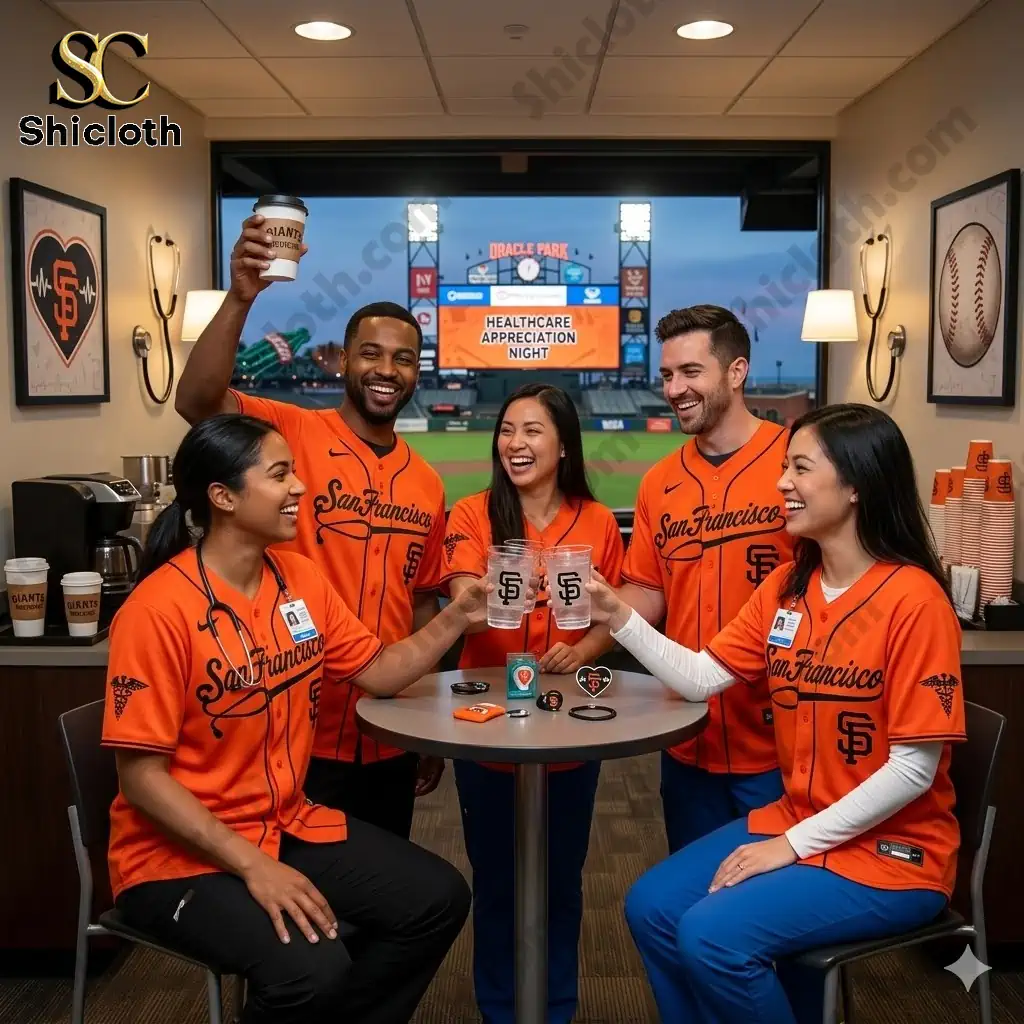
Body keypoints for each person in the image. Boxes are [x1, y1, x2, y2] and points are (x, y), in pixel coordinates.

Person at [102, 413, 488, 1024]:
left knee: (436, 900)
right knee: (311, 968)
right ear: (223, 497)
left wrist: (457, 616)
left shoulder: (300, 581)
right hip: (174, 859)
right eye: (279, 474)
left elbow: (380, 671)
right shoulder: (157, 611)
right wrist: (255, 867)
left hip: (284, 823)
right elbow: (140, 778)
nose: (301, 488)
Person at [587, 403, 965, 1023]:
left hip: (893, 855)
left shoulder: (915, 600)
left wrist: (791, 845)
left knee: (712, 936)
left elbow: (913, 770)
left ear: (854, 487)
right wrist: (620, 617)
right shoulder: (788, 588)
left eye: (800, 468)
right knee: (652, 907)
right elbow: (702, 677)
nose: (782, 483)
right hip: (799, 821)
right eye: (784, 466)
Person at [175, 214, 446, 841]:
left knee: (384, 894)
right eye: (372, 353)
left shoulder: (428, 483)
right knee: (299, 906)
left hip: (389, 726)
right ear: (344, 359)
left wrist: (426, 719)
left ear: (416, 371)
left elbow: (424, 607)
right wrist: (242, 296)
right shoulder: (287, 434)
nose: (387, 369)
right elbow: (197, 401)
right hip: (287, 726)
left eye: (404, 359)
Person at [440, 383, 625, 1024]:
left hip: (570, 720)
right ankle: (499, 1009)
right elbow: (463, 599)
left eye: (533, 431)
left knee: (561, 880)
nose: (515, 444)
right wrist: (490, 586)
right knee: (496, 881)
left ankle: (556, 1007)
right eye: (507, 430)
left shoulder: (597, 522)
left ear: (565, 445)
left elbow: (612, 616)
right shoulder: (472, 513)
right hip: (484, 719)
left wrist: (587, 650)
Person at [616, 304, 794, 854]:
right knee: (691, 901)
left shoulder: (797, 461)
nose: (675, 389)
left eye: (691, 372)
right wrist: (584, 607)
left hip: (784, 741)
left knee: (772, 913)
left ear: (736, 372)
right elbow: (647, 592)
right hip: (689, 735)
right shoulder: (658, 482)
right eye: (668, 375)